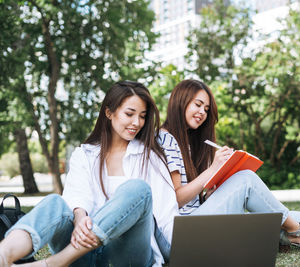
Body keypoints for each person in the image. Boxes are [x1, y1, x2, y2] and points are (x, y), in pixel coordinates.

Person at [158, 79, 300, 250]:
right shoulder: (167, 138)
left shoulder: (189, 142)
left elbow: (196, 197)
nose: (202, 113)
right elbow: (176, 199)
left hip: (198, 221)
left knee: (275, 216)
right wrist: (212, 169)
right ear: (181, 101)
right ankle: (297, 233)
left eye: (206, 109)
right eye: (197, 105)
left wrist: (214, 188)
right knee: (246, 179)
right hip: (184, 232)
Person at [0, 81, 178, 267]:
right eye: (129, 114)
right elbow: (76, 196)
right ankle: (3, 256)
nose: (137, 122)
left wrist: (184, 251)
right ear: (109, 113)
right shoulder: (85, 154)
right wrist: (80, 218)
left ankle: (58, 262)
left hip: (127, 257)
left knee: (138, 189)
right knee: (55, 202)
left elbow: (167, 214)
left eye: (142, 116)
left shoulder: (150, 157)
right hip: (85, 256)